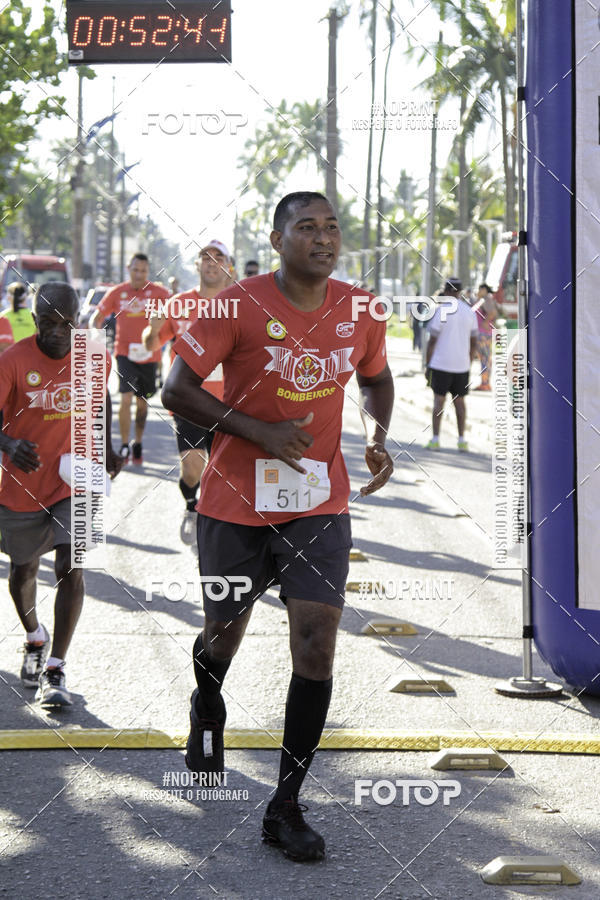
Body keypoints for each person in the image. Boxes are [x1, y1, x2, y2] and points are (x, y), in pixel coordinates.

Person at [162, 191, 394, 862]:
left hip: (318, 503)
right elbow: (176, 389)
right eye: (307, 227)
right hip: (235, 501)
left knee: (317, 644)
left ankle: (286, 804)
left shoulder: (362, 308)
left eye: (332, 227)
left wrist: (377, 433)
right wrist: (259, 430)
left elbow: (377, 379)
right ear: (277, 239)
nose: (323, 238)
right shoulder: (236, 305)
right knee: (223, 633)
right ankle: (208, 702)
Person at [0, 282, 122, 707]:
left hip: (75, 477)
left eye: (66, 324)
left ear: (78, 322)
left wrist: (108, 445)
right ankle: (35, 636)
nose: (56, 332)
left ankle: (56, 668)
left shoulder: (94, 357)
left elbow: (101, 399)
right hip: (23, 481)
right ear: (35, 320)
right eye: (48, 323)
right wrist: (9, 444)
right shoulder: (12, 361)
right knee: (23, 572)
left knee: (72, 564)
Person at [142, 241, 231, 545]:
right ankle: (192, 505)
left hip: (229, 402)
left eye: (219, 257)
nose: (211, 262)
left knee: (223, 471)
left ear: (228, 266)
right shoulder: (178, 303)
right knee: (192, 468)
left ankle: (217, 522)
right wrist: (153, 328)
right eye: (205, 257)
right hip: (188, 399)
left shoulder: (240, 303)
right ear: (197, 265)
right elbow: (151, 345)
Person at [90, 253, 170, 464]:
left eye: (143, 271)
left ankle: (138, 442)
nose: (139, 275)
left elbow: (176, 313)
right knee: (126, 398)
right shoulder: (118, 292)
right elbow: (97, 317)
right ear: (128, 269)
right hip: (124, 353)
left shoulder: (159, 293)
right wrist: (94, 338)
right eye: (135, 270)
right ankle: (124, 444)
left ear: (148, 271)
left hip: (150, 354)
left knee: (142, 404)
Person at [425, 278, 478, 452]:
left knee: (438, 402)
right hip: (461, 365)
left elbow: (432, 341)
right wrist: (468, 361)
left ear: (447, 291)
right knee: (460, 402)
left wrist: (427, 364)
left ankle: (435, 439)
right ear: (460, 292)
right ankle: (462, 440)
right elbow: (474, 341)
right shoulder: (469, 312)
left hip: (440, 364)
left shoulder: (441, 310)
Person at [473, 282, 497, 390]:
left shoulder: (487, 299)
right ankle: (484, 382)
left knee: (485, 358)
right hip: (482, 333)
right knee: (484, 358)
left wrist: (485, 323)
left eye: (479, 289)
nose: (478, 291)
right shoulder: (483, 300)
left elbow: (492, 312)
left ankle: (485, 383)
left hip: (484, 334)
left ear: (484, 290)